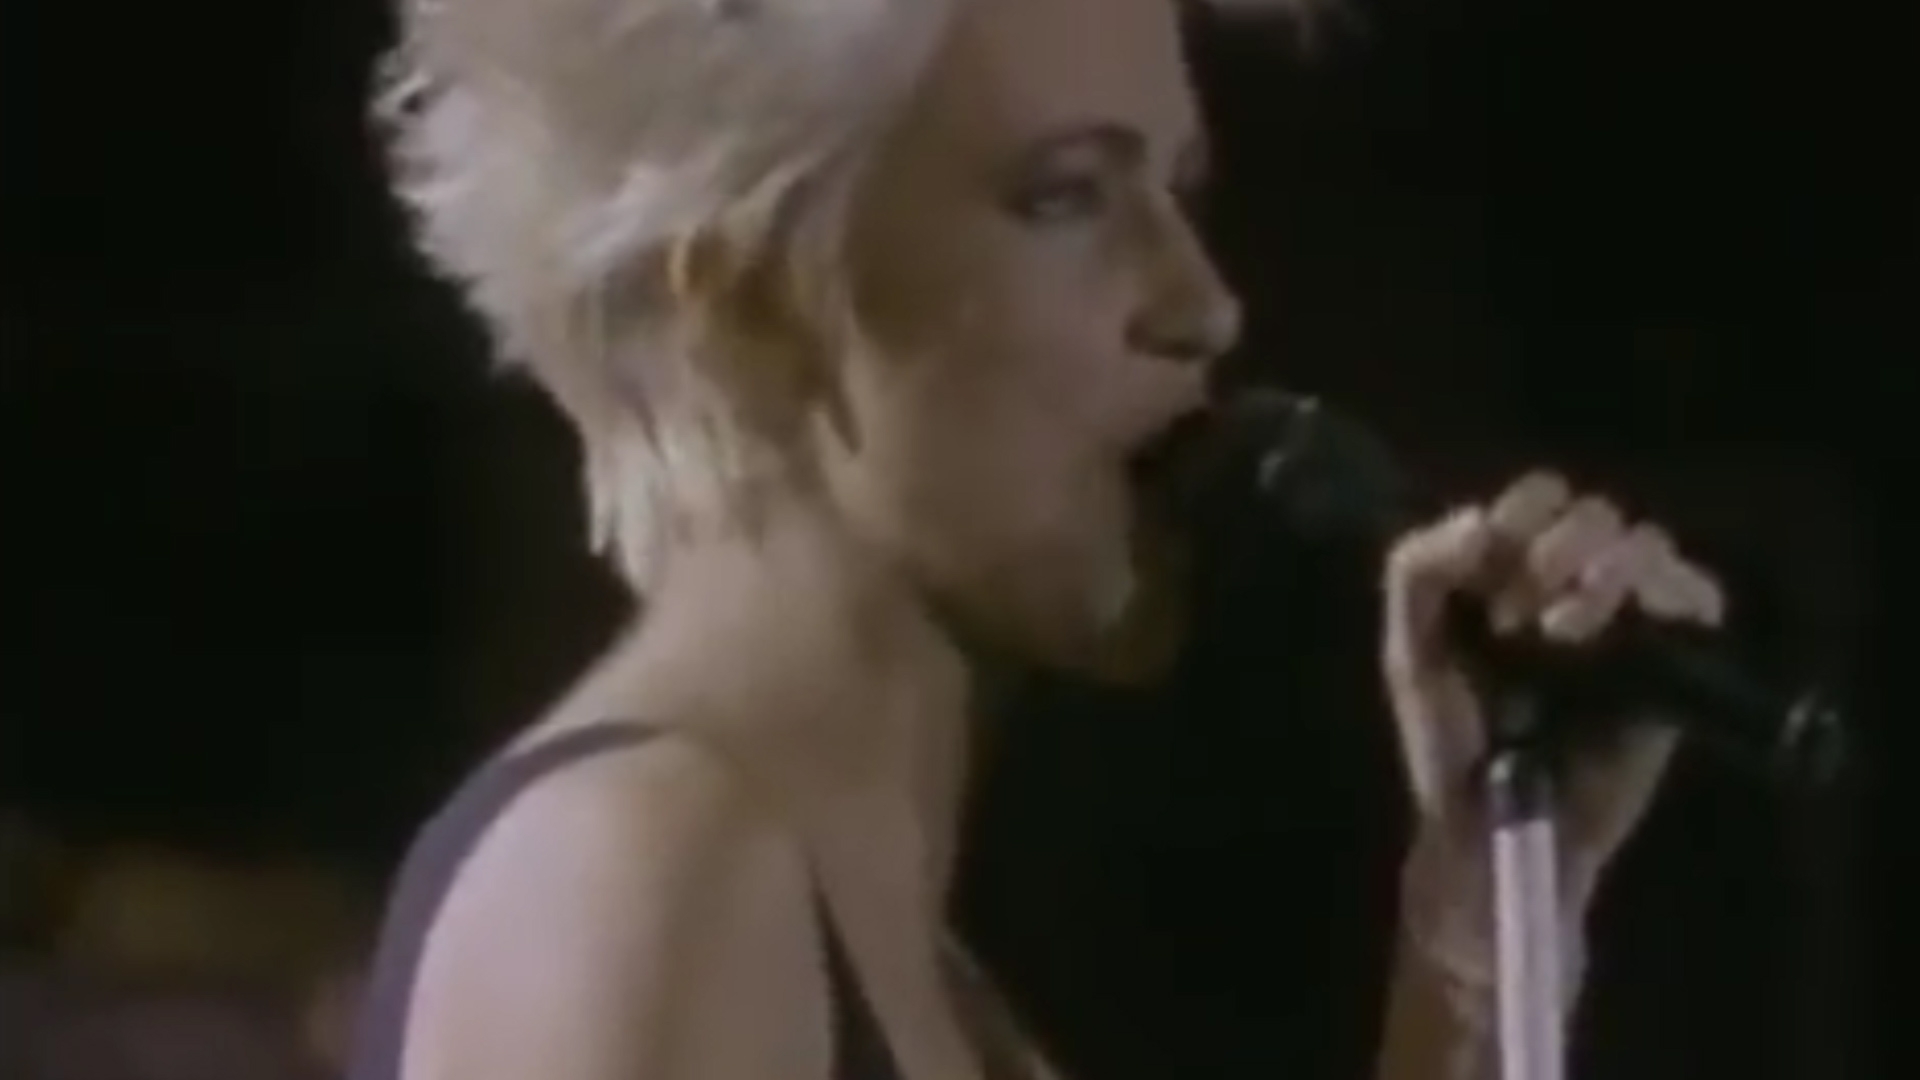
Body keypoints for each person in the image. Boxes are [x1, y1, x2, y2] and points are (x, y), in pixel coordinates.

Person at [349, 0, 1728, 1078]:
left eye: (1178, 192)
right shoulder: (653, 880)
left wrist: (1484, 935)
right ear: (754, 313)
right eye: (1066, 197)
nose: (1204, 305)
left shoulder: (907, 959)